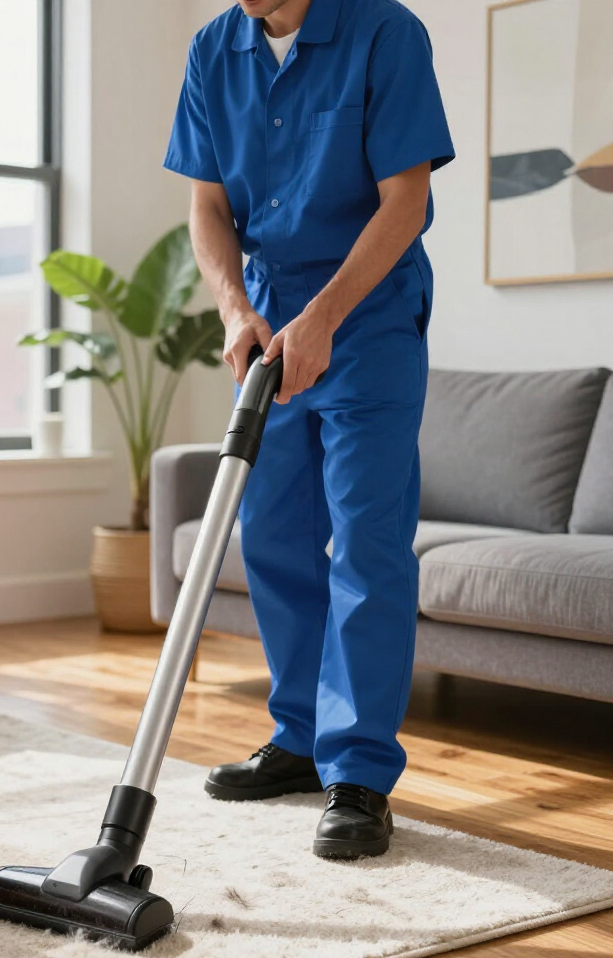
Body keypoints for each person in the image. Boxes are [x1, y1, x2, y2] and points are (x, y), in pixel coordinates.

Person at [164, 0, 455, 859]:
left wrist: (325, 316)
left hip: (367, 313)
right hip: (268, 314)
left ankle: (359, 772)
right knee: (273, 535)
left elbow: (405, 200)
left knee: (366, 540)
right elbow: (208, 205)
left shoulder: (385, 33)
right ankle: (299, 739)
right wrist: (234, 309)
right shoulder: (214, 49)